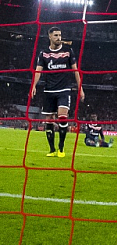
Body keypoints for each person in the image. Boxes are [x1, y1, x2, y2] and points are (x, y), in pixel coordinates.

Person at [30, 26, 85, 158]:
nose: (58, 38)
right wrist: (33, 85)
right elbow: (38, 71)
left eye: (60, 35)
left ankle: (61, 147)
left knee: (62, 116)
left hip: (64, 89)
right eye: (55, 35)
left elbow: (75, 70)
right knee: (49, 119)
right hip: (49, 90)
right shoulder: (43, 53)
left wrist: (80, 88)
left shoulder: (68, 51)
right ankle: (52, 149)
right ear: (49, 36)